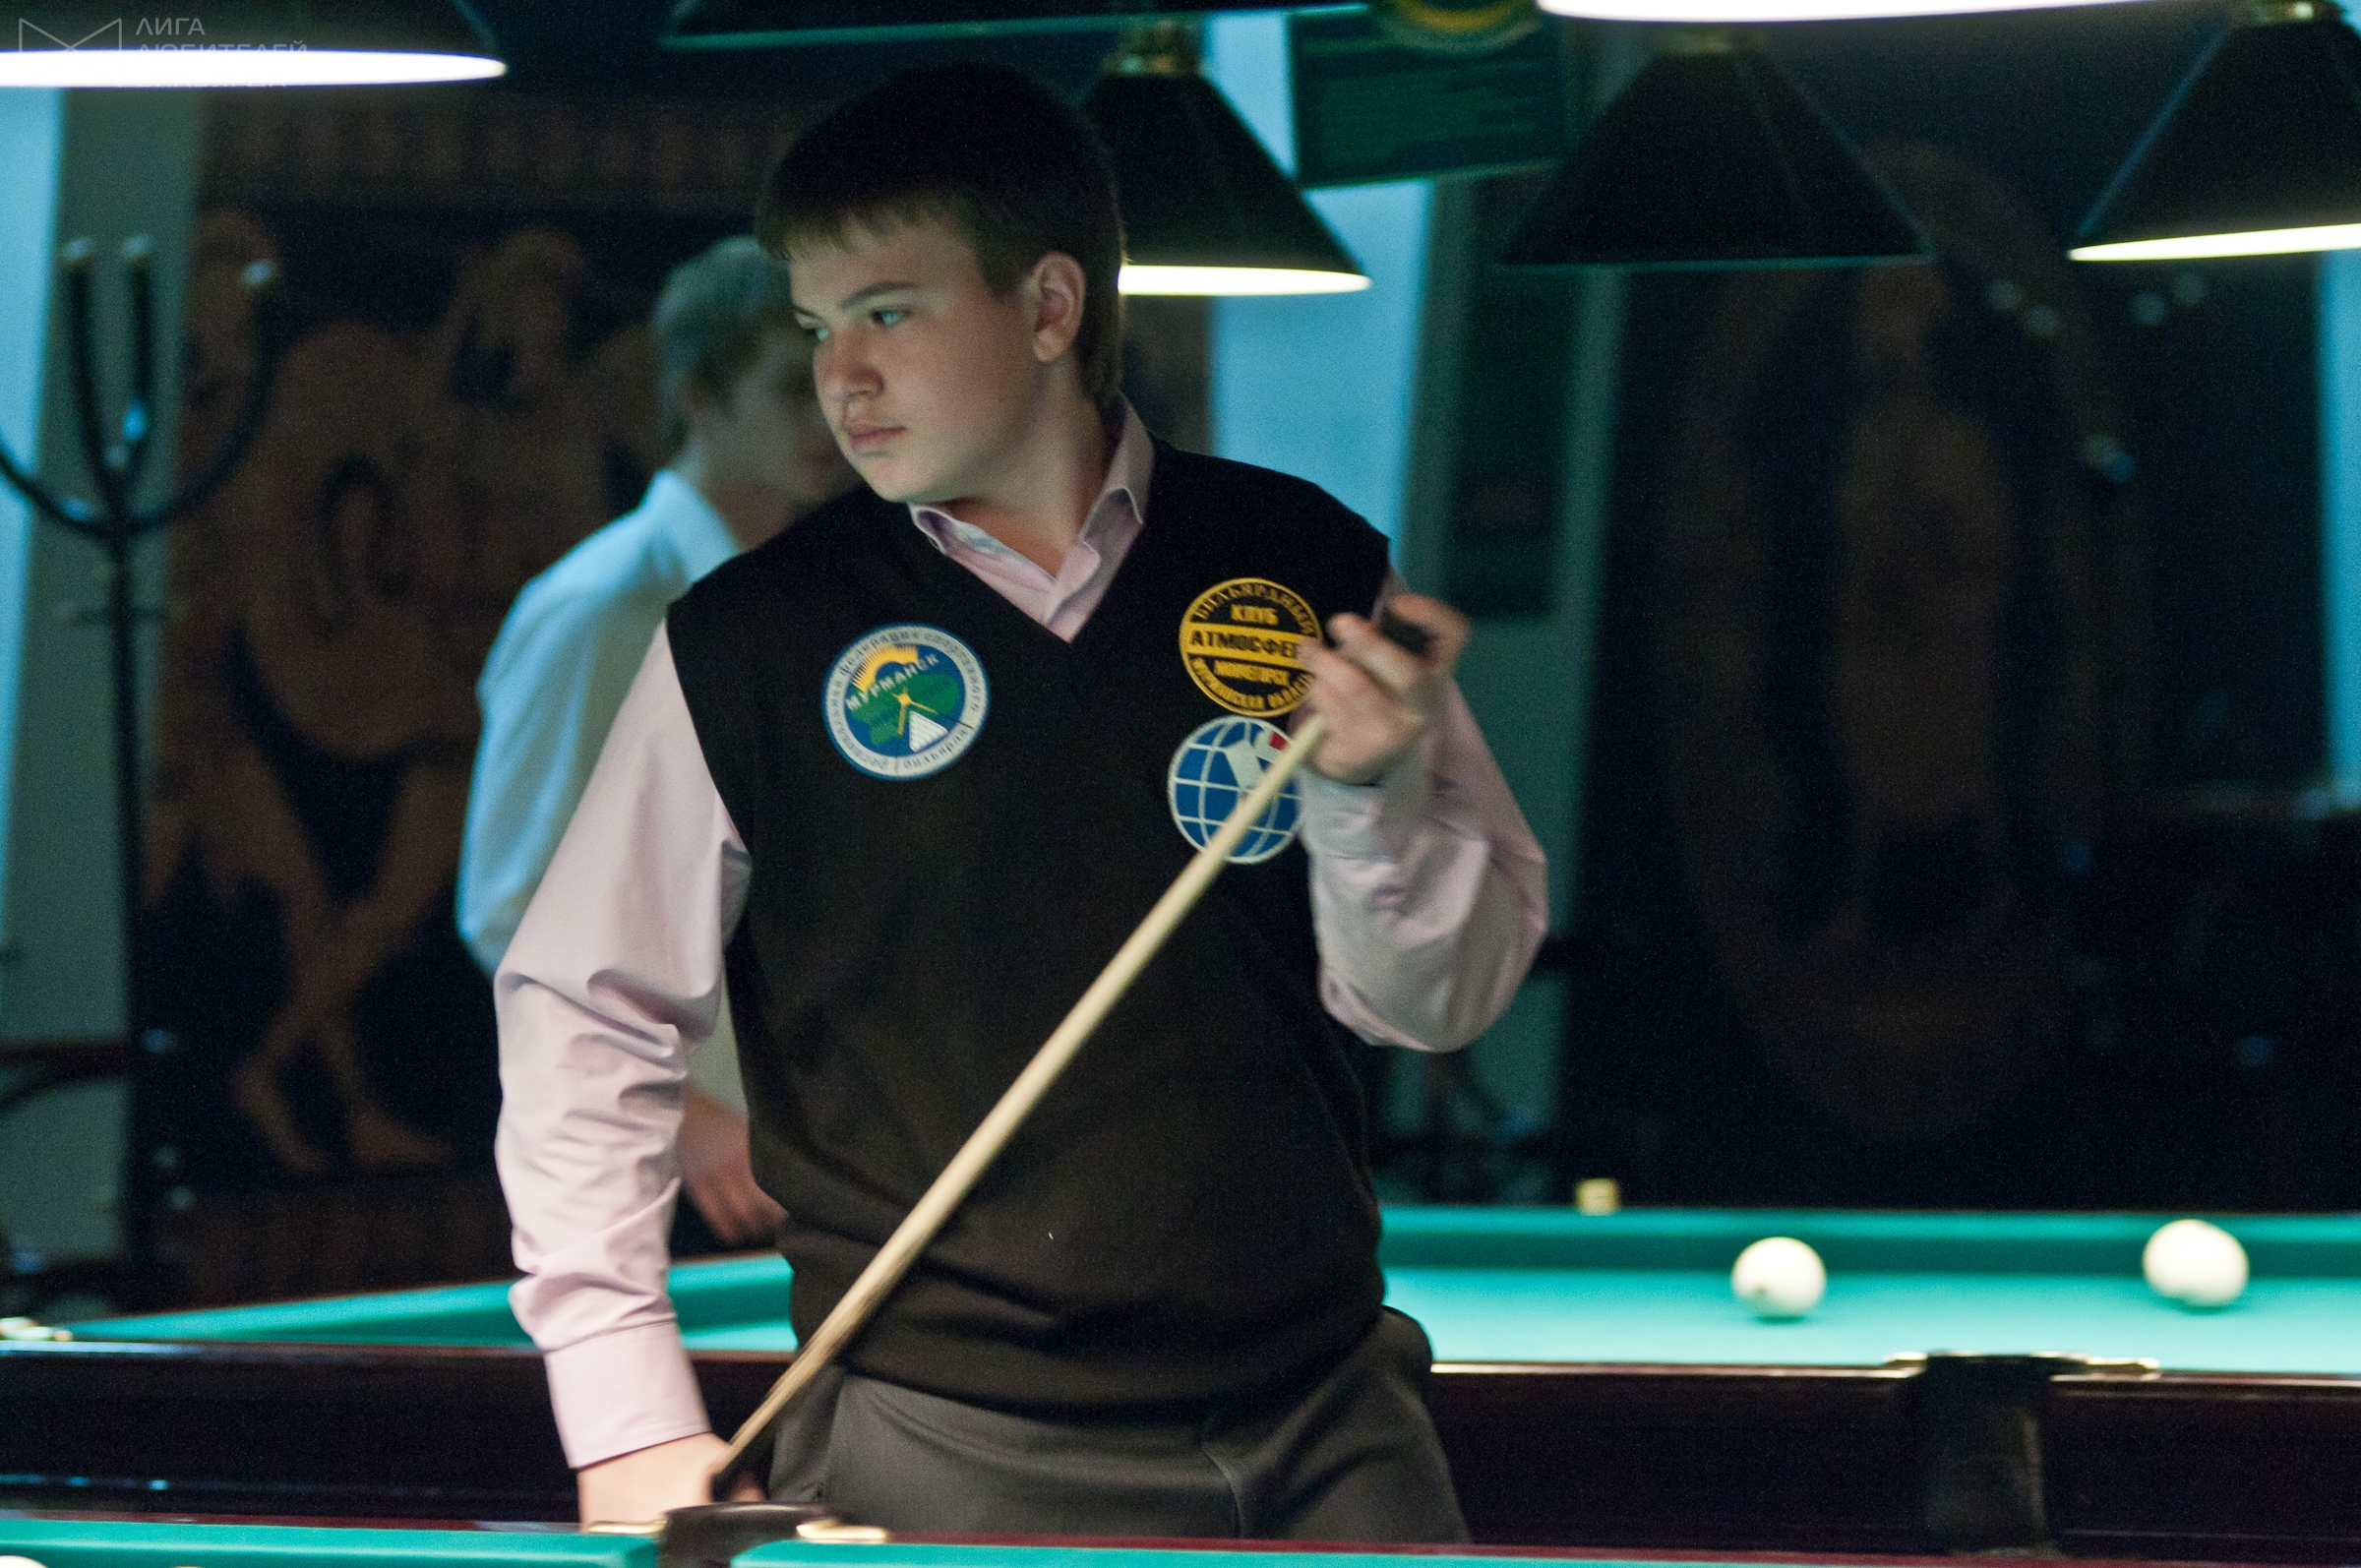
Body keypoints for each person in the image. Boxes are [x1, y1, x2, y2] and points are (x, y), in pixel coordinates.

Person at [493, 64, 1546, 1539]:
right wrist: (628, 1419)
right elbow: (582, 1010)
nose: (842, 376)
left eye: (888, 313)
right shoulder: (755, 638)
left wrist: (1369, 792)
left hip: (1331, 1431)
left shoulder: (1306, 568)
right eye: (817, 327)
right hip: (946, 1446)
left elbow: (1438, 1005)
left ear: (1050, 306)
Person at [461, 236, 850, 1246]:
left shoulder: (825, 597)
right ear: (698, 398)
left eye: (836, 380)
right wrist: (687, 1119)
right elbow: (511, 907)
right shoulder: (604, 607)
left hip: (816, 1145)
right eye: (792, 389)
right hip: (680, 1163)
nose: (832, 415)